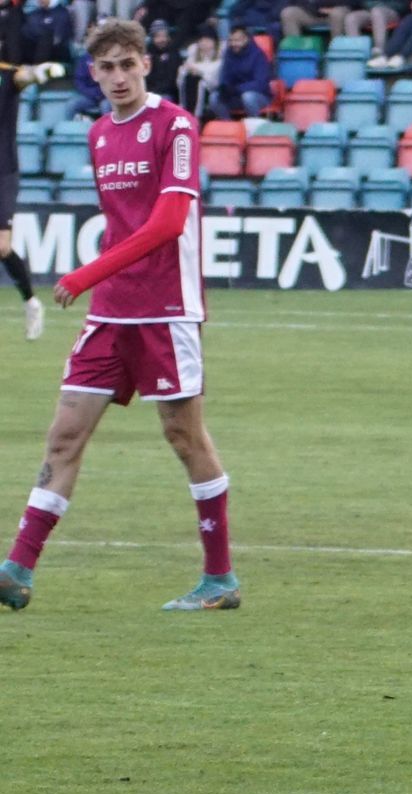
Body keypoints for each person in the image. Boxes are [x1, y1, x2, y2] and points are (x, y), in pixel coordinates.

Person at [2, 19, 240, 614]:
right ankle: (16, 569)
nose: (116, 77)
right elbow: (121, 220)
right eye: (104, 68)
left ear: (144, 65)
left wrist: (87, 273)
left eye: (125, 65)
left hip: (165, 308)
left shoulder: (176, 126)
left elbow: (165, 225)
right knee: (63, 437)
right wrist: (103, 282)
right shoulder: (102, 133)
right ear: (92, 71)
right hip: (112, 311)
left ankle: (220, 580)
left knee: (184, 437)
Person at [1, 0, 60, 341]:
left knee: (2, 247)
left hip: (3, 169)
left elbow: (26, 76)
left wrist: (44, 71)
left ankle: (31, 302)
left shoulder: (7, 74)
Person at [211, 23, 271, 118]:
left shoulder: (258, 55)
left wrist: (238, 89)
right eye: (231, 40)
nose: (234, 44)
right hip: (235, 96)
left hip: (259, 95)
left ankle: (253, 126)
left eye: (237, 40)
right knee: (214, 97)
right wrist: (224, 88)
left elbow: (261, 83)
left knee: (248, 97)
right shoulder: (228, 54)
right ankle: (228, 126)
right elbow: (224, 76)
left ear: (246, 39)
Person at [175, 28, 217, 112]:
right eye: (201, 40)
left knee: (199, 82)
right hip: (191, 88)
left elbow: (214, 81)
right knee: (188, 77)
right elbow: (180, 80)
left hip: (210, 89)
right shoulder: (193, 53)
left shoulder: (219, 57)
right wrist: (186, 70)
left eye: (207, 40)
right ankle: (186, 110)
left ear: (214, 42)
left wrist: (200, 73)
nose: (203, 43)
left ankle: (197, 115)